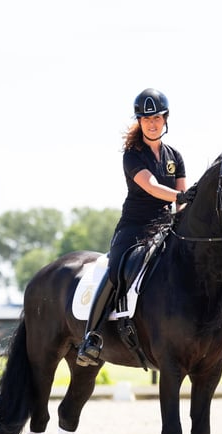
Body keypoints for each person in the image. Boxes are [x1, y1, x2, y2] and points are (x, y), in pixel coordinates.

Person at [76, 88, 189, 367]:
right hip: (134, 227)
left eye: (157, 118)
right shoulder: (132, 154)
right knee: (115, 270)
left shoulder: (175, 156)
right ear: (139, 121)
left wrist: (184, 218)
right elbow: (151, 187)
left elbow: (182, 203)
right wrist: (181, 198)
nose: (152, 123)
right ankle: (91, 337)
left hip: (165, 227)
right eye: (146, 118)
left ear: (165, 119)